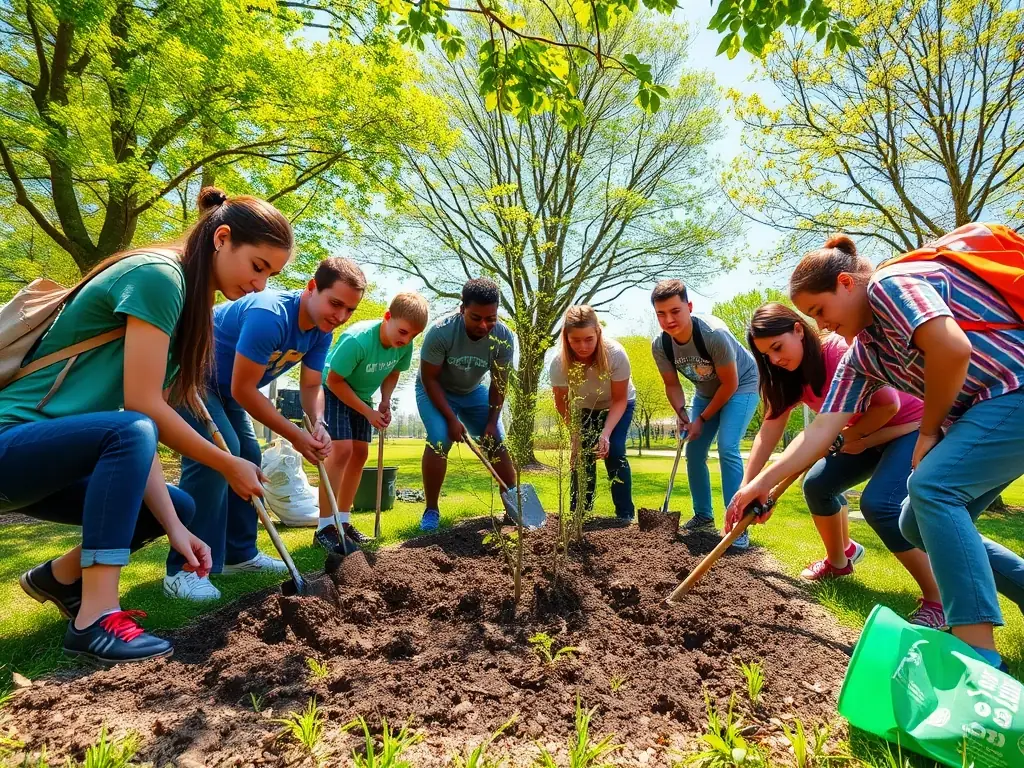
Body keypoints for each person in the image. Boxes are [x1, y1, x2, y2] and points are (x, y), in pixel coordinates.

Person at [5, 187, 292, 664]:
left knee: (174, 505)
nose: (261, 284)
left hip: (50, 461)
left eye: (272, 275)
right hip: (10, 441)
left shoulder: (186, 306)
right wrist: (228, 463)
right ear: (222, 238)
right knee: (134, 430)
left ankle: (58, 579)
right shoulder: (160, 276)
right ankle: (96, 618)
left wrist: (176, 528)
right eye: (258, 266)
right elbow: (139, 413)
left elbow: (134, 429)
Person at [728, 232, 1024, 671]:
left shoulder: (890, 285)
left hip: (1012, 391)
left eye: (820, 311)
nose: (822, 325)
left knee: (932, 489)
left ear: (847, 283)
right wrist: (757, 486)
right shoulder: (863, 354)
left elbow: (952, 347)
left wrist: (927, 432)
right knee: (914, 522)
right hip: (985, 413)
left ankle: (976, 654)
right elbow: (820, 432)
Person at [168, 257, 367, 599]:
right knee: (219, 458)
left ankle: (239, 555)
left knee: (248, 456)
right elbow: (243, 390)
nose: (340, 316)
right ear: (311, 288)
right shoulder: (270, 315)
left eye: (349, 310)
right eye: (336, 303)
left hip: (226, 389)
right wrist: (296, 436)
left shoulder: (321, 331)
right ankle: (184, 569)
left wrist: (317, 423)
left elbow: (310, 387)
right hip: (190, 377)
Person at [744, 303, 944, 627]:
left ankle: (940, 598)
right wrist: (750, 487)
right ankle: (841, 560)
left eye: (778, 347)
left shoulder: (836, 352)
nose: (775, 359)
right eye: (767, 355)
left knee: (880, 503)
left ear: (798, 329)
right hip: (860, 436)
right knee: (817, 485)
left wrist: (852, 436)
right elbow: (768, 433)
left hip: (907, 429)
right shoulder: (787, 377)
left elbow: (888, 405)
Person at [651, 279, 760, 549]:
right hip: (706, 392)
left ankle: (738, 524)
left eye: (675, 311)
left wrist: (701, 419)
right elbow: (672, 384)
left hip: (742, 386)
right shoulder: (661, 345)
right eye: (661, 314)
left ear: (689, 307)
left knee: (727, 446)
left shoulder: (713, 335)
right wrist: (682, 414)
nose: (669, 319)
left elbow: (730, 384)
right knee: (695, 451)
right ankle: (703, 515)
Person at [316, 292, 429, 551]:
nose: (405, 339)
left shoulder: (404, 345)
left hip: (362, 397)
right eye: (402, 331)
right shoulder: (358, 340)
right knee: (342, 451)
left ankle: (343, 522)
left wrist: (385, 401)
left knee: (359, 454)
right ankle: (324, 527)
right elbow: (333, 380)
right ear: (387, 317)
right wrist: (368, 413)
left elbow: (394, 372)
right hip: (332, 391)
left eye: (412, 336)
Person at [416, 278, 516, 531]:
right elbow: (429, 378)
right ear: (462, 310)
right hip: (435, 389)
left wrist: (492, 422)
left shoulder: (503, 338)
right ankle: (431, 510)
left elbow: (499, 383)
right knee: (439, 439)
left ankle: (513, 507)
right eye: (476, 317)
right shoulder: (441, 332)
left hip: (473, 391)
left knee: (496, 442)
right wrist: (451, 419)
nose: (484, 325)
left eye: (491, 318)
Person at [550, 305, 636, 524]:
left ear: (598, 332)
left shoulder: (615, 354)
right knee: (582, 456)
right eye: (575, 340)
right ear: (566, 337)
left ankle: (624, 516)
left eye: (588, 339)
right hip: (583, 408)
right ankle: (579, 514)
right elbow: (562, 403)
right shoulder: (559, 363)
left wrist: (606, 433)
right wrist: (575, 434)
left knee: (614, 451)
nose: (582, 346)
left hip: (617, 404)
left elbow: (619, 399)